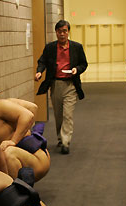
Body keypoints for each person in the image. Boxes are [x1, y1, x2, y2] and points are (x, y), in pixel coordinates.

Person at [0, 84, 50, 183]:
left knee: (8, 153)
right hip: (34, 158)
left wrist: (14, 140)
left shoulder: (0, 106)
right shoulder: (3, 104)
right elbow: (32, 107)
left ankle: (19, 194)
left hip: (37, 161)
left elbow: (28, 115)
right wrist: (21, 132)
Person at [35, 19, 87, 154]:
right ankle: (60, 137)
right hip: (55, 84)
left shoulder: (76, 47)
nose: (62, 34)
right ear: (56, 33)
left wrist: (77, 69)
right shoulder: (50, 48)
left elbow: (84, 64)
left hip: (70, 84)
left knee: (68, 114)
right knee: (59, 114)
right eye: (59, 31)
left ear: (68, 32)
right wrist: (40, 71)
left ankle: (65, 141)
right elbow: (42, 61)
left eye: (64, 31)